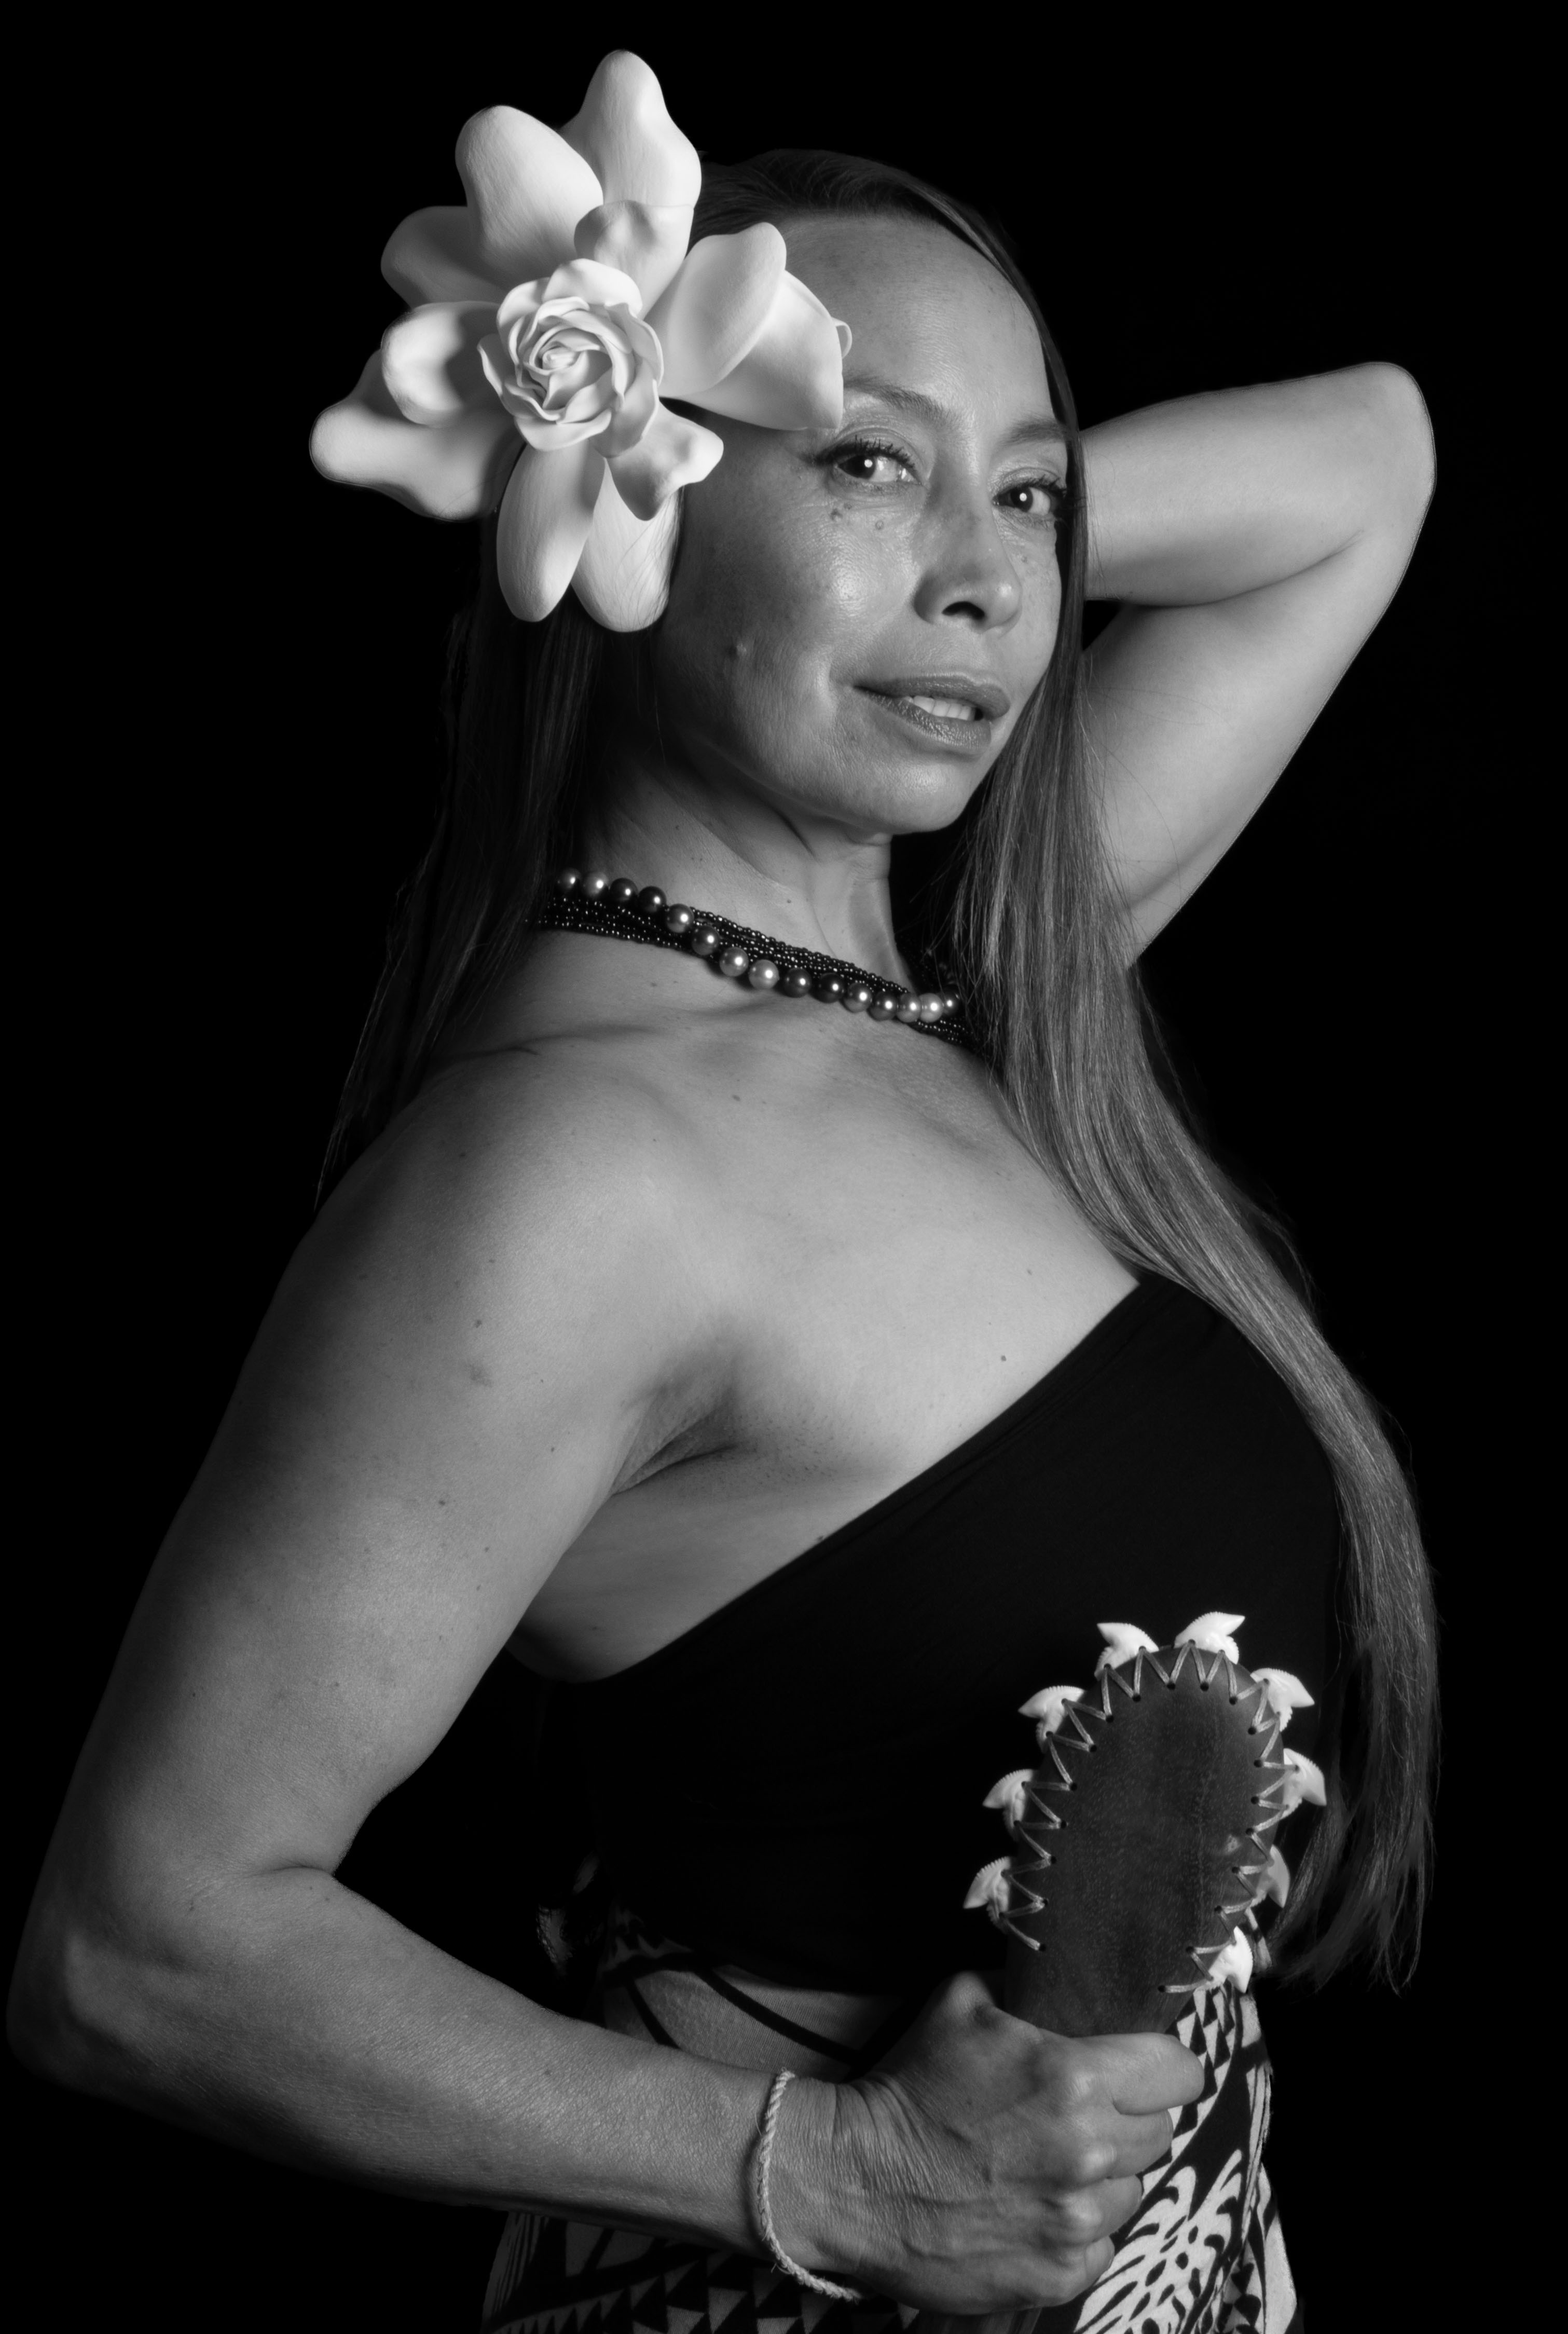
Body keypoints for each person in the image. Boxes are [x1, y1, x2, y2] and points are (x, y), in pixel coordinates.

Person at [8, 56, 1437, 2334]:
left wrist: (939, 496)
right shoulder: (577, 1167)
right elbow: (139, 1945)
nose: (986, 587)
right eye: (863, 465)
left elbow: (1368, 463)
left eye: (1036, 505)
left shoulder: (974, 1009)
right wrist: (839, 2175)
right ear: (639, 501)